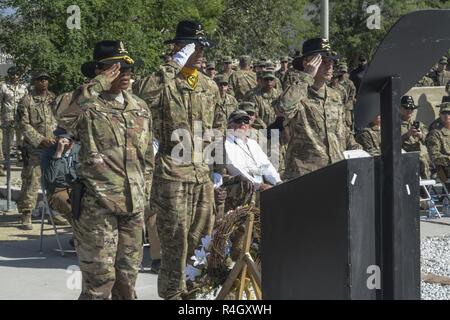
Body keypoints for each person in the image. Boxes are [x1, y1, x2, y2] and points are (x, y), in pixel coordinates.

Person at [55, 40, 154, 300]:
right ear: (100, 70)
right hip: (97, 207)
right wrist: (96, 85)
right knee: (99, 283)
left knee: (126, 281)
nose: (125, 74)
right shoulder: (87, 104)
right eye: (116, 68)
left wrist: (146, 192)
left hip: (133, 206)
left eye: (128, 68)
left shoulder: (139, 107)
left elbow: (148, 158)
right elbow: (64, 120)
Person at [134, 20, 217, 300]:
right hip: (172, 174)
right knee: (174, 243)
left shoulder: (209, 86)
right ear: (180, 47)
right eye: (196, 46)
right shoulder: (165, 81)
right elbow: (141, 97)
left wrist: (214, 166)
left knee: (200, 241)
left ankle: (195, 295)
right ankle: (172, 295)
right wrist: (173, 65)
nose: (202, 52)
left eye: (204, 46)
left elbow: (216, 128)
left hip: (202, 174)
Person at [275, 38, 361, 180]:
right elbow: (282, 110)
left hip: (335, 171)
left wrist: (354, 146)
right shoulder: (297, 93)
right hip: (305, 175)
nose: (330, 66)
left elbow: (342, 130)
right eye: (323, 61)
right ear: (307, 63)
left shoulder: (336, 95)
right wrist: (306, 76)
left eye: (332, 61)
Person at [16, 69, 56, 230]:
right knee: (31, 179)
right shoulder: (26, 101)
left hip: (53, 146)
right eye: (40, 80)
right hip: (34, 148)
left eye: (46, 79)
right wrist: (40, 139)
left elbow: (60, 119)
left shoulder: (54, 99)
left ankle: (56, 212)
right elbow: (23, 125)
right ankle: (26, 212)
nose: (44, 82)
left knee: (55, 178)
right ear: (34, 82)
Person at [41, 127, 80, 227]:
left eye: (71, 140)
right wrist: (58, 153)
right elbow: (49, 178)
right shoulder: (49, 153)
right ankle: (79, 236)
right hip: (56, 191)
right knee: (73, 209)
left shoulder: (79, 150)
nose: (67, 143)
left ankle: (84, 236)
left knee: (92, 207)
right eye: (60, 138)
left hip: (77, 188)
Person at [0, 66, 28, 175]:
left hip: (20, 119)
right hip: (7, 119)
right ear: (9, 75)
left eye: (17, 74)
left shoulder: (23, 88)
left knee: (21, 141)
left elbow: (27, 104)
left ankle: (21, 162)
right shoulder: (4, 87)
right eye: (12, 74)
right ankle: (4, 164)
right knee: (7, 142)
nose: (15, 76)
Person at [399, 95, 430, 179]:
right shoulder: (394, 124)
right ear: (400, 108)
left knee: (423, 157)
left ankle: (424, 188)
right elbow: (390, 143)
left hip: (418, 154)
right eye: (406, 108)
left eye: (411, 109)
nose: (409, 111)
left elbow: (429, 141)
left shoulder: (418, 124)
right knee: (421, 159)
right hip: (402, 154)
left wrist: (421, 136)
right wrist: (406, 135)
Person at [426, 102, 450, 188]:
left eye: (449, 113)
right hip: (444, 169)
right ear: (439, 115)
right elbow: (434, 156)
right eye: (444, 113)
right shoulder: (435, 133)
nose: (447, 115)